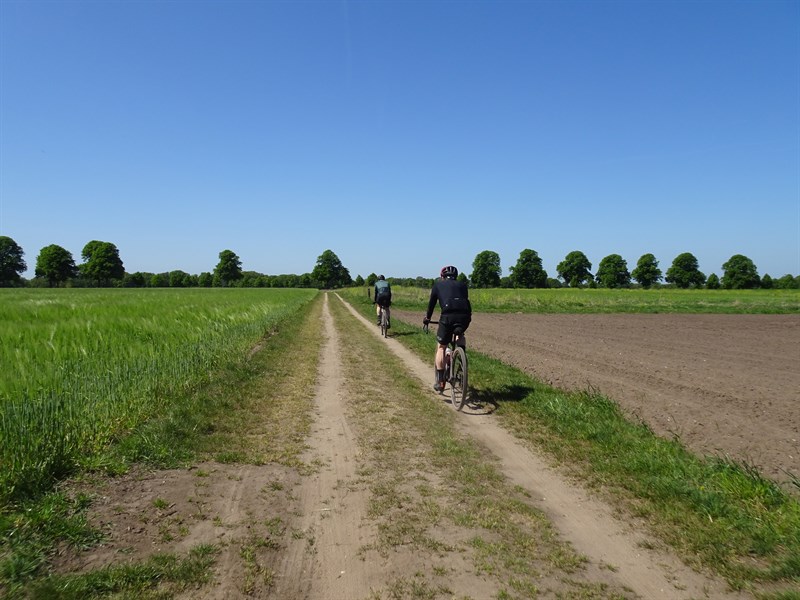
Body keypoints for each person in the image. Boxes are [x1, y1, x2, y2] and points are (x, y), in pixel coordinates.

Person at [423, 265, 472, 392]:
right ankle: (461, 357)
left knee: (441, 347)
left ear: (442, 276)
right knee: (459, 335)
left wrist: (427, 318)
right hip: (464, 317)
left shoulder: (438, 285)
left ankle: (440, 381)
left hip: (447, 317)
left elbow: (431, 304)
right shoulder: (463, 285)